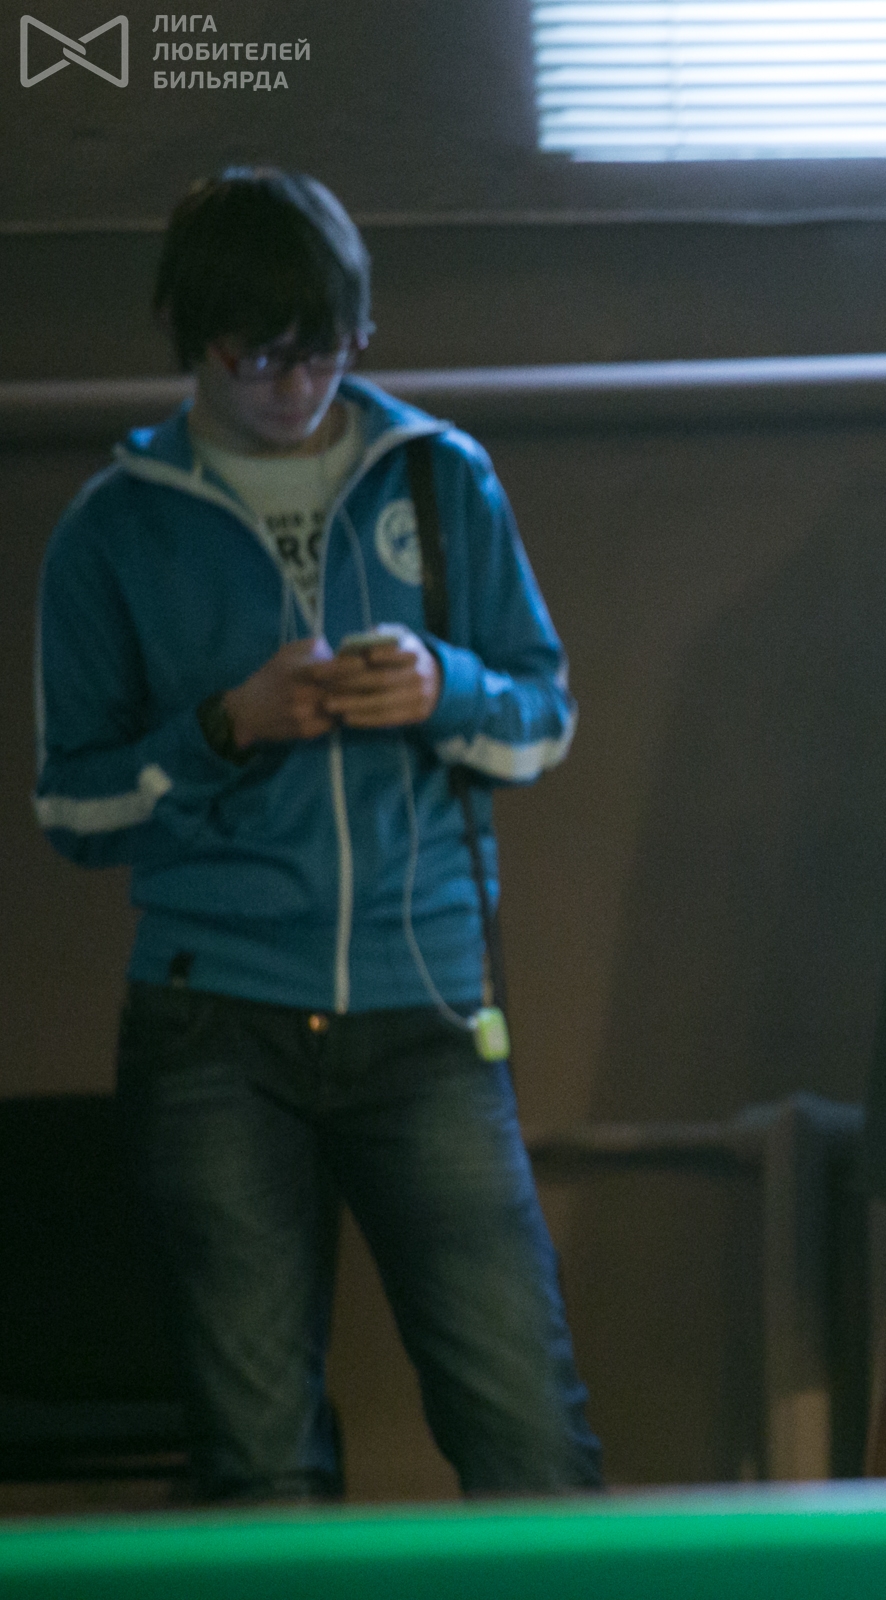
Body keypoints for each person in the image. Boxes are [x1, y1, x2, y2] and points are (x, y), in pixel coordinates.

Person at [34, 168, 600, 1499]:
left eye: (325, 350)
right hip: (211, 1026)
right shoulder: (116, 526)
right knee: (259, 1460)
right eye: (259, 356)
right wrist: (220, 729)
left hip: (429, 1010)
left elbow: (545, 720)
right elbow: (71, 808)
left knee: (529, 1433)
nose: (295, 385)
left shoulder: (441, 477)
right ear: (193, 337)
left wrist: (445, 687)